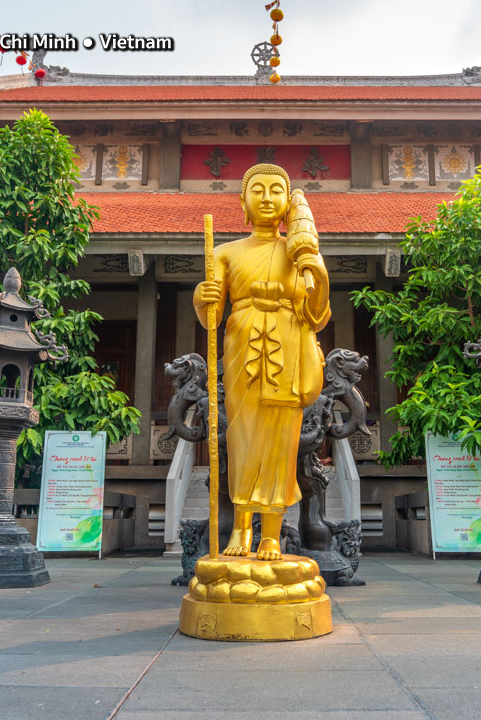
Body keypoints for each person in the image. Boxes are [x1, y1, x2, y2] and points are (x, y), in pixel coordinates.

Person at [193, 163, 331, 561]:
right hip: (242, 343)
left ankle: (271, 533)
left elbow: (317, 314)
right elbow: (212, 318)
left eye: (276, 190)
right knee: (243, 440)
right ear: (243, 201)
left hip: (288, 343)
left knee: (279, 445)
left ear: (289, 202)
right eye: (258, 190)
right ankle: (241, 527)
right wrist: (204, 297)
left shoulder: (298, 252)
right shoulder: (224, 252)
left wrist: (317, 273)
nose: (267, 197)